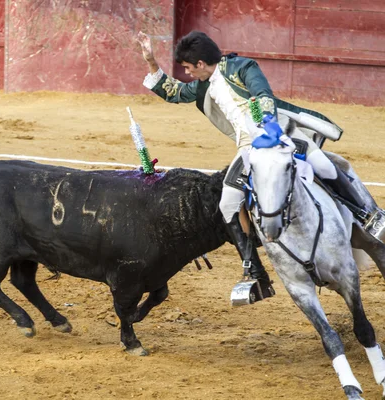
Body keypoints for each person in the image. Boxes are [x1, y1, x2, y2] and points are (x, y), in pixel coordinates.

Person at [137, 30, 385, 303]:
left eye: (187, 67)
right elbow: (173, 92)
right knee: (228, 203)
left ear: (199, 63)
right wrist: (150, 60)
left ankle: (368, 216)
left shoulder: (240, 67)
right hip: (248, 150)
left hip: (278, 133)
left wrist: (267, 126)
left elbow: (262, 94)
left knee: (323, 165)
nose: (187, 73)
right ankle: (255, 273)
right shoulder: (203, 84)